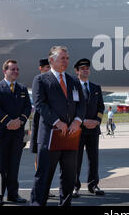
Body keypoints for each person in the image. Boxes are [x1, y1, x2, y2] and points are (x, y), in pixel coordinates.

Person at [30, 46, 86, 206]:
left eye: (67, 58)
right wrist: (57, 122)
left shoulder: (74, 81)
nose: (66, 61)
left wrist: (77, 120)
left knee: (69, 176)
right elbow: (40, 104)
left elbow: (82, 104)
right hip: (50, 136)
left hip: (70, 136)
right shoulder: (40, 80)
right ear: (52, 60)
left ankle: (65, 204)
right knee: (44, 176)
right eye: (63, 58)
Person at [0, 59, 32, 206]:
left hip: (17, 133)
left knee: (14, 165)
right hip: (2, 133)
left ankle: (13, 194)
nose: (16, 72)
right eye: (12, 69)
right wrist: (8, 121)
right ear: (5, 71)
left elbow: (28, 107)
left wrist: (20, 121)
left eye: (17, 69)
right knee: (0, 166)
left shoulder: (22, 89)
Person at [73, 58, 106, 198]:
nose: (85, 70)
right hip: (78, 129)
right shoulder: (72, 88)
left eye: (87, 68)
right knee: (76, 159)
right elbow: (71, 108)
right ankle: (75, 186)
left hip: (93, 129)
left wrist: (97, 121)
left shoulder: (95, 88)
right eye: (82, 68)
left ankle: (93, 185)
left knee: (93, 159)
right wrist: (82, 121)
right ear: (77, 71)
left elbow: (101, 107)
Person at [30, 58, 51, 160]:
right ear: (41, 68)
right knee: (40, 152)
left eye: (50, 67)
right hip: (41, 118)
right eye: (47, 67)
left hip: (52, 119)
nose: (49, 69)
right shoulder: (38, 80)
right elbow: (38, 102)